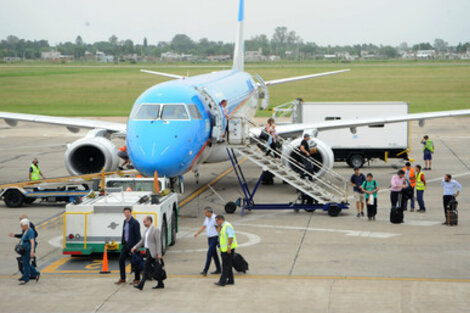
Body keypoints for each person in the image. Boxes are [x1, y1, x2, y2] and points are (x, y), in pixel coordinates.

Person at [132, 216, 164, 290]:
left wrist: (159, 253)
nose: (144, 223)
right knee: (156, 268)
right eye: (143, 222)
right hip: (148, 252)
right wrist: (134, 247)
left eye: (145, 222)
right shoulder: (146, 231)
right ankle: (160, 283)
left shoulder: (155, 230)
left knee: (146, 268)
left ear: (149, 221)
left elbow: (158, 242)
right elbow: (142, 241)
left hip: (153, 253)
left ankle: (141, 285)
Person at [115, 207, 141, 285]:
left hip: (133, 246)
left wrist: (137, 246)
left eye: (128, 212)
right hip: (126, 244)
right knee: (121, 260)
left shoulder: (135, 222)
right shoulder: (125, 221)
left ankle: (137, 279)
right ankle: (123, 278)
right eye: (125, 213)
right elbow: (124, 233)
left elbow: (138, 235)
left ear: (131, 213)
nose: (126, 214)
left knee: (135, 262)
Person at [194, 207, 221, 276]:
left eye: (206, 212)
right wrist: (197, 233)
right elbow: (204, 226)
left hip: (214, 238)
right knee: (214, 254)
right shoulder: (207, 218)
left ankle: (205, 270)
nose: (205, 214)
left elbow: (218, 228)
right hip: (209, 238)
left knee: (209, 254)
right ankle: (219, 269)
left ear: (209, 212)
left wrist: (220, 237)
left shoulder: (215, 219)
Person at [214, 215, 237, 287]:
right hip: (224, 249)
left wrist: (229, 247)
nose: (216, 222)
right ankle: (231, 280)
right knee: (228, 265)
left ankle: (222, 281)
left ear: (221, 220)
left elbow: (231, 236)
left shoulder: (227, 226)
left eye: (217, 221)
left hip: (228, 249)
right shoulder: (223, 227)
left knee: (225, 265)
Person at [18, 218, 40, 284]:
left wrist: (32, 251)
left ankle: (26, 278)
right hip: (24, 249)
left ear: (26, 225)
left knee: (26, 264)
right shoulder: (25, 230)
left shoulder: (30, 231)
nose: (21, 227)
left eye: (22, 225)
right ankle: (36, 273)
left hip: (28, 249)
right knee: (26, 263)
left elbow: (32, 241)